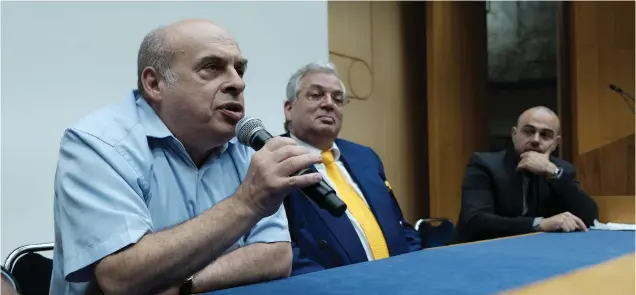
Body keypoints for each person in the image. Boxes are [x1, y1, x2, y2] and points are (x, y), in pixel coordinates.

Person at [49, 19, 324, 295]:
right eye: (212, 68)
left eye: (239, 69)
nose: (237, 83)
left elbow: (276, 254)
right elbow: (121, 277)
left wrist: (184, 284)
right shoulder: (97, 144)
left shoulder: (243, 144)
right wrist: (247, 203)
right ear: (154, 83)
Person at [281, 62, 421, 276]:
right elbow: (284, 252)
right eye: (316, 95)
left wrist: (416, 269)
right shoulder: (274, 160)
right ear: (289, 108)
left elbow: (401, 227)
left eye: (338, 99)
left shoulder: (366, 157)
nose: (329, 104)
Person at [455, 106, 599, 243]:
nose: (536, 140)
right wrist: (540, 224)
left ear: (555, 143)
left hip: (534, 252)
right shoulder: (485, 164)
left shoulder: (561, 170)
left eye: (545, 135)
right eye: (528, 132)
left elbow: (589, 217)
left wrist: (552, 172)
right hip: (479, 251)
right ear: (514, 135)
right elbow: (475, 221)